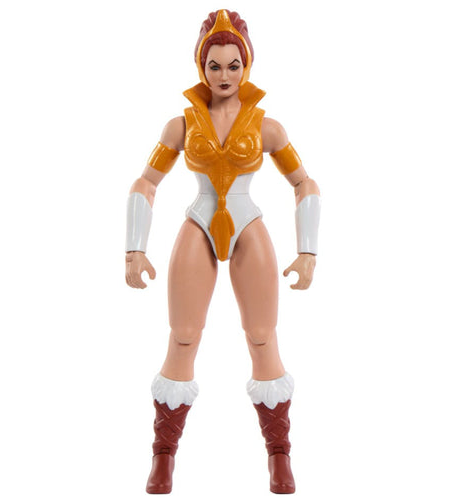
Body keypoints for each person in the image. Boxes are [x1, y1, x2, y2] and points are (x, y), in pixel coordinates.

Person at [125, 9, 320, 494]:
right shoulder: (181, 125)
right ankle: (163, 455)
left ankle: (279, 453)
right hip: (199, 222)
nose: (225, 75)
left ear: (247, 65)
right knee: (183, 336)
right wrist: (134, 248)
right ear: (201, 66)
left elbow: (304, 183)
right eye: (215, 65)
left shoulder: (268, 128)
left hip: (248, 224)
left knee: (262, 336)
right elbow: (146, 182)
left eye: (234, 65)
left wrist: (308, 251)